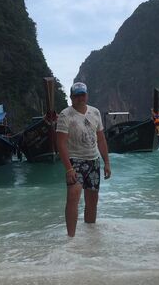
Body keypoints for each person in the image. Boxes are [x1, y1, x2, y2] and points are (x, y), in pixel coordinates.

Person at [56, 82, 111, 237]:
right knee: (73, 196)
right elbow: (60, 143)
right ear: (71, 97)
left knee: (92, 199)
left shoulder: (95, 112)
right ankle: (71, 239)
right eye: (77, 95)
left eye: (83, 95)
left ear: (87, 95)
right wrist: (69, 168)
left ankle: (90, 235)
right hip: (75, 161)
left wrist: (107, 162)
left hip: (94, 160)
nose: (80, 98)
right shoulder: (65, 115)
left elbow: (101, 139)